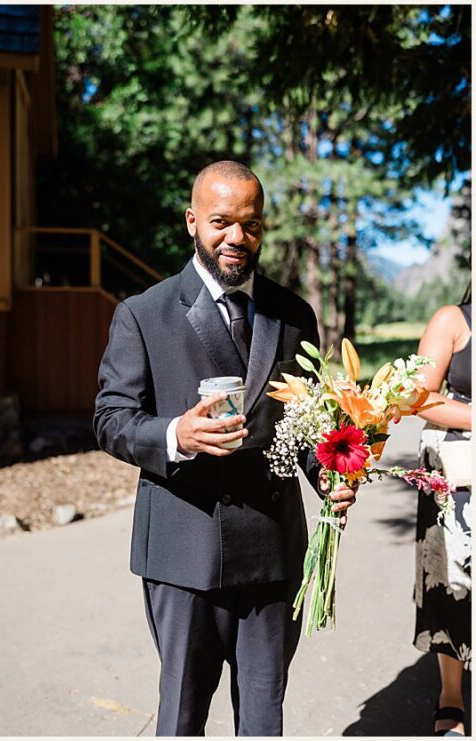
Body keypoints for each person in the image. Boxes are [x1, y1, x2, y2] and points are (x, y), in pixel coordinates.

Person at [92, 161, 358, 736]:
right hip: (182, 554)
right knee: (182, 720)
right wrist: (175, 436)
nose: (238, 238)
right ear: (192, 222)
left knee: (264, 720)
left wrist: (330, 474)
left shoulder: (294, 316)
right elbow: (110, 419)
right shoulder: (142, 314)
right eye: (221, 222)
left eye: (252, 225)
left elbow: (307, 425)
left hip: (272, 551)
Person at [413, 292, 473, 736]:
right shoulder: (453, 319)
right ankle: (451, 695)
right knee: (455, 584)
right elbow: (418, 396)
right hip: (460, 477)